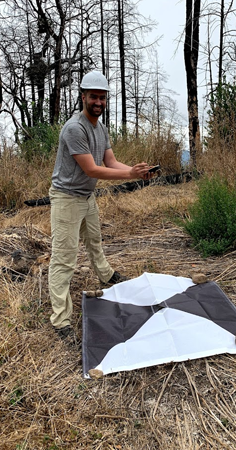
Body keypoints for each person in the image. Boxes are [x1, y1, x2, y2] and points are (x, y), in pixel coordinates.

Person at [48, 70, 151, 342]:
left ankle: (106, 276)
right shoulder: (74, 128)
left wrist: (137, 170)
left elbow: (111, 162)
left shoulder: (100, 128)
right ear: (83, 97)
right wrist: (130, 176)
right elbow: (92, 170)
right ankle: (60, 319)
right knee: (64, 258)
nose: (98, 102)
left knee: (95, 240)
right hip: (67, 197)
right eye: (94, 97)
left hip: (86, 197)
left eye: (103, 98)